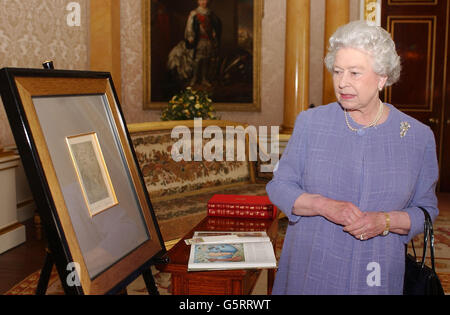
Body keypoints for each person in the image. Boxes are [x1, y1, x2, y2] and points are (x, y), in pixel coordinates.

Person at [266, 20, 439, 295]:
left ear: (382, 78)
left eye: (355, 73)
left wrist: (384, 221)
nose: (342, 82)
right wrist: (323, 205)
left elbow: (426, 211)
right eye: (337, 71)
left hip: (377, 273)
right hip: (312, 268)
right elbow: (279, 186)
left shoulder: (418, 137)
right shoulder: (311, 123)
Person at [184, 0, 221, 87]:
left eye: (205, 0)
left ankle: (204, 79)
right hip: (199, 40)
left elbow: (214, 26)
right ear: (198, 1)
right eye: (201, 0)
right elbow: (189, 26)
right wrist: (190, 36)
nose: (203, 2)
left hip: (208, 40)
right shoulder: (194, 13)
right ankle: (194, 78)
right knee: (197, 59)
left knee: (206, 59)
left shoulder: (210, 14)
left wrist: (214, 34)